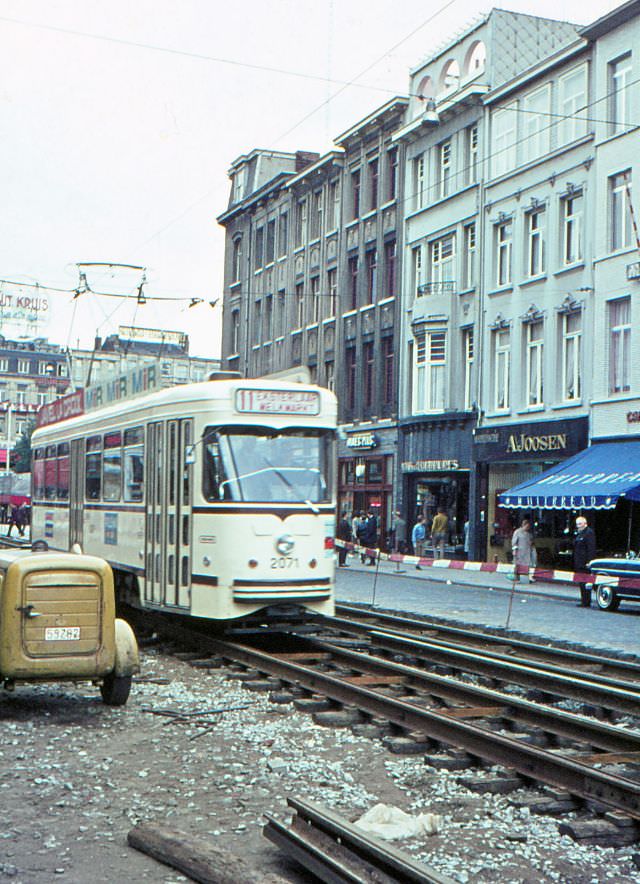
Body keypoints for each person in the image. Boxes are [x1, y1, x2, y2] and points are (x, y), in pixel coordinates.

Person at [573, 516, 596, 607]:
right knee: (581, 582)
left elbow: (591, 548)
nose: (578, 526)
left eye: (580, 524)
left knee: (585, 582)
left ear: (585, 523)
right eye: (577, 524)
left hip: (585, 563)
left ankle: (586, 601)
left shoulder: (589, 533)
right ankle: (584, 600)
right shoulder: (580, 533)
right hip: (579, 562)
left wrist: (589, 561)